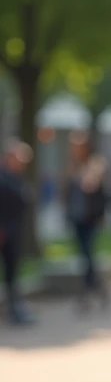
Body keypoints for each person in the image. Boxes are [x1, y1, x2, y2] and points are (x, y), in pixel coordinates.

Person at [65, 154, 110, 310]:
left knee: (87, 257)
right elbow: (69, 199)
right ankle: (97, 289)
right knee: (85, 258)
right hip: (78, 224)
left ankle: (87, 292)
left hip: (90, 224)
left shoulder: (97, 185)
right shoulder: (74, 182)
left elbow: (102, 204)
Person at [0, 140, 36, 326]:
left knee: (12, 272)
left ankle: (15, 309)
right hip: (4, 231)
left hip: (13, 231)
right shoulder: (4, 177)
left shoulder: (16, 177)